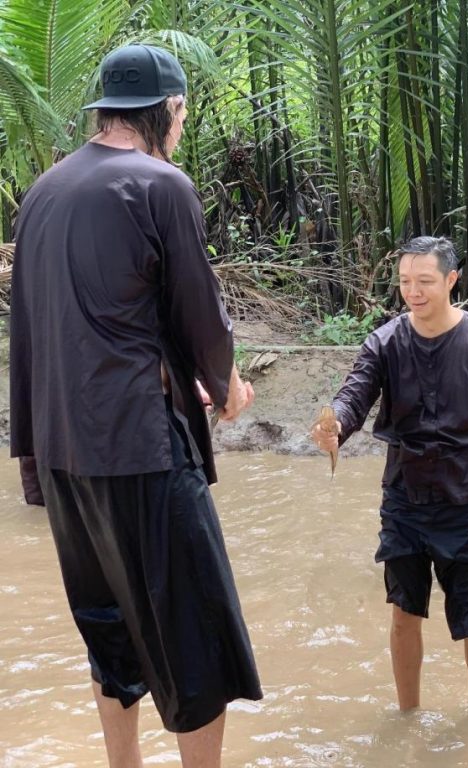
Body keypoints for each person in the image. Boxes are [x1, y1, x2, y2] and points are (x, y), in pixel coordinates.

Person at [9, 44, 262, 766]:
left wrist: (32, 453)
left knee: (108, 630)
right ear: (168, 109)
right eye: (182, 114)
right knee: (196, 642)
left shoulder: (44, 191)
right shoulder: (161, 184)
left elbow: (28, 331)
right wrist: (225, 382)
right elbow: (199, 314)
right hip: (140, 447)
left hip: (63, 452)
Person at [310, 235, 468, 714]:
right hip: (404, 499)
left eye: (425, 281)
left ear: (451, 280)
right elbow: (354, 394)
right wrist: (336, 428)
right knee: (404, 613)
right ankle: (407, 715)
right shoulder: (385, 341)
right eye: (406, 282)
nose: (413, 291)